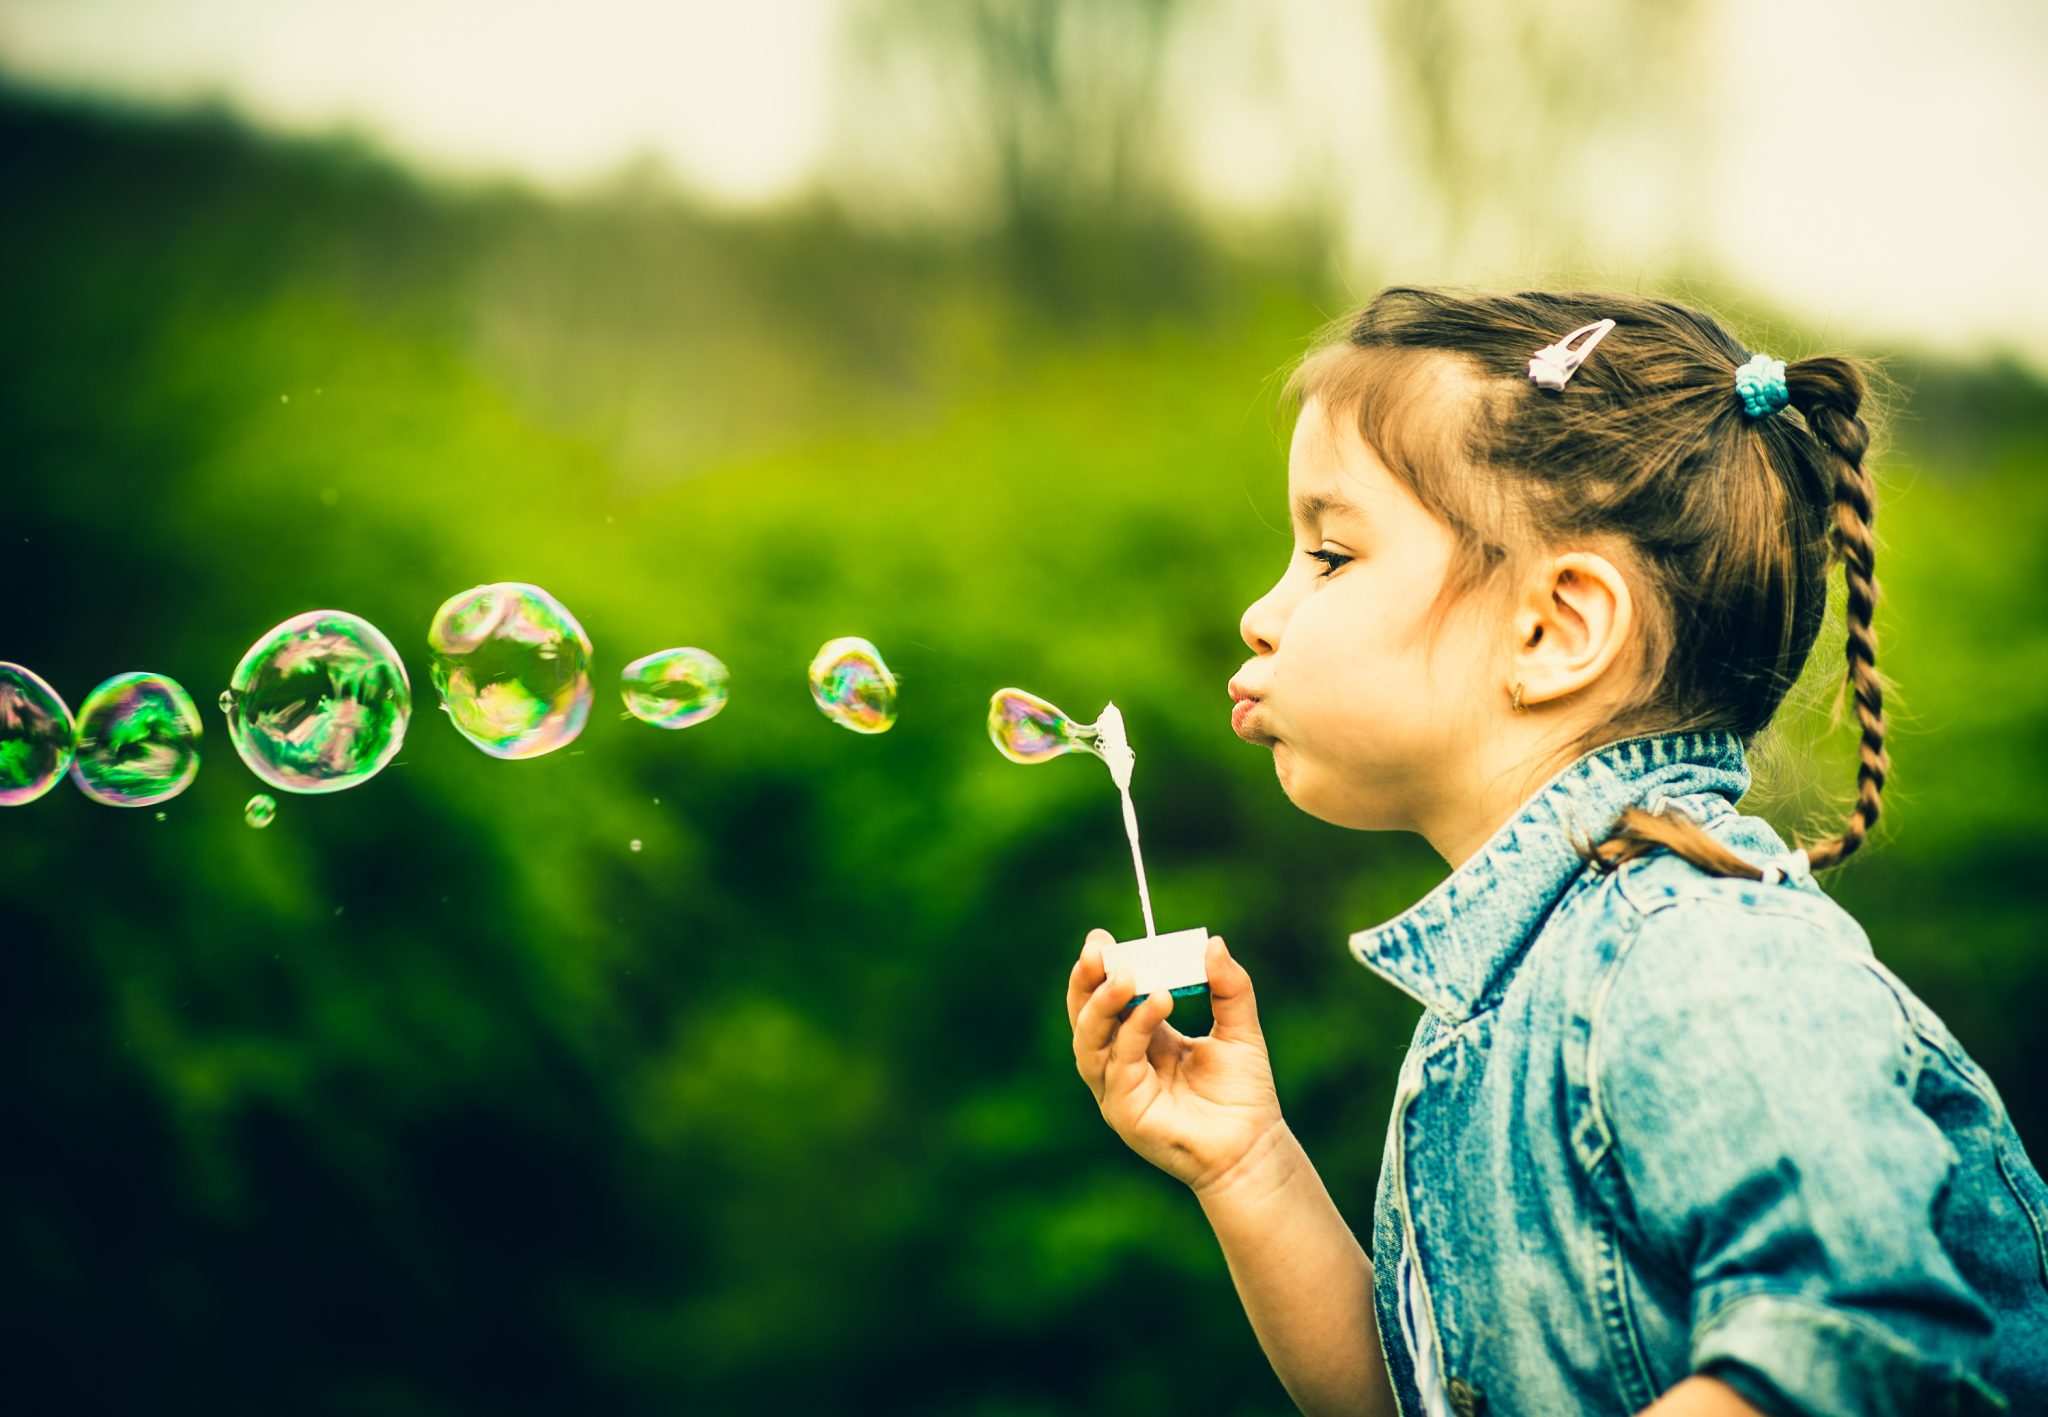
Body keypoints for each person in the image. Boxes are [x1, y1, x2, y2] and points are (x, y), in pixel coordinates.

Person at [1065, 287, 2048, 1417]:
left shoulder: (1693, 959)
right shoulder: (1501, 1002)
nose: (1262, 614)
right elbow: (1405, 1398)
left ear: (1554, 629)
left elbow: (1860, 1331)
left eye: (1328, 555)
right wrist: (1246, 1166)